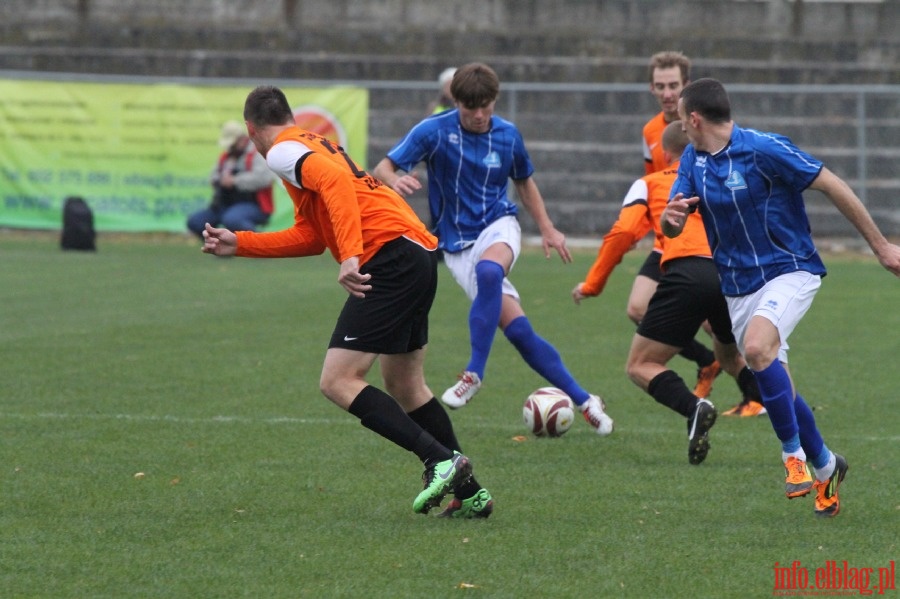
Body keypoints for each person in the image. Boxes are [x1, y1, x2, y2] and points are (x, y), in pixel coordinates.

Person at [201, 85, 494, 518]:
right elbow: (313, 237)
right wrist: (241, 242)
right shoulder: (310, 144)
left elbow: (337, 184)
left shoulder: (281, 151)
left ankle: (441, 461)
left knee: (337, 380)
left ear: (251, 129)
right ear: (290, 115)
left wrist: (352, 255)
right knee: (406, 385)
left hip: (387, 256)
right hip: (414, 252)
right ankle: (469, 492)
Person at [662, 78, 900, 516]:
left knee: (754, 349)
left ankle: (793, 458)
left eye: (681, 116)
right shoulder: (693, 159)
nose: (678, 123)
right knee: (778, 386)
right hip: (737, 287)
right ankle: (828, 466)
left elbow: (833, 185)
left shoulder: (764, 149)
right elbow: (675, 221)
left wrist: (882, 247)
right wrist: (671, 218)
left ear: (694, 119)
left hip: (790, 269)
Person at [372, 62, 613, 435]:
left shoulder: (508, 135)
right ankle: (586, 401)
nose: (480, 115)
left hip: (499, 225)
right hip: (455, 244)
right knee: (519, 333)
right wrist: (395, 180)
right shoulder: (433, 132)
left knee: (490, 270)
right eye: (471, 108)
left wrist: (547, 227)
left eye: (487, 106)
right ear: (456, 102)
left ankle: (473, 374)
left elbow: (525, 183)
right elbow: (382, 168)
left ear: (495, 100)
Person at [573, 121, 766, 442]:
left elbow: (622, 233)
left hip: (688, 272)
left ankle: (695, 407)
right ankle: (793, 420)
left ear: (663, 153)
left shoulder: (649, 183)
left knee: (641, 364)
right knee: (731, 357)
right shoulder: (723, 175)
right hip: (733, 274)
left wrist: (592, 284)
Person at [628, 51, 722, 400]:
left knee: (716, 321)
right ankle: (706, 361)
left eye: (674, 86)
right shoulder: (650, 131)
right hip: (667, 237)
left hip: (704, 237)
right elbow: (653, 180)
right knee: (637, 308)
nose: (667, 93)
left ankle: (755, 389)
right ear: (651, 88)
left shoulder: (704, 124)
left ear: (686, 86)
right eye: (660, 86)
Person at [187, 120, 276, 238]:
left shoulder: (256, 154)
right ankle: (219, 246)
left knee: (231, 219)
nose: (230, 147)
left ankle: (262, 241)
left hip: (253, 205)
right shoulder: (226, 156)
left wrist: (235, 181)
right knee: (195, 222)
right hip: (224, 204)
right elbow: (213, 176)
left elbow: (264, 178)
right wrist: (219, 180)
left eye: (233, 144)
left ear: (242, 139)